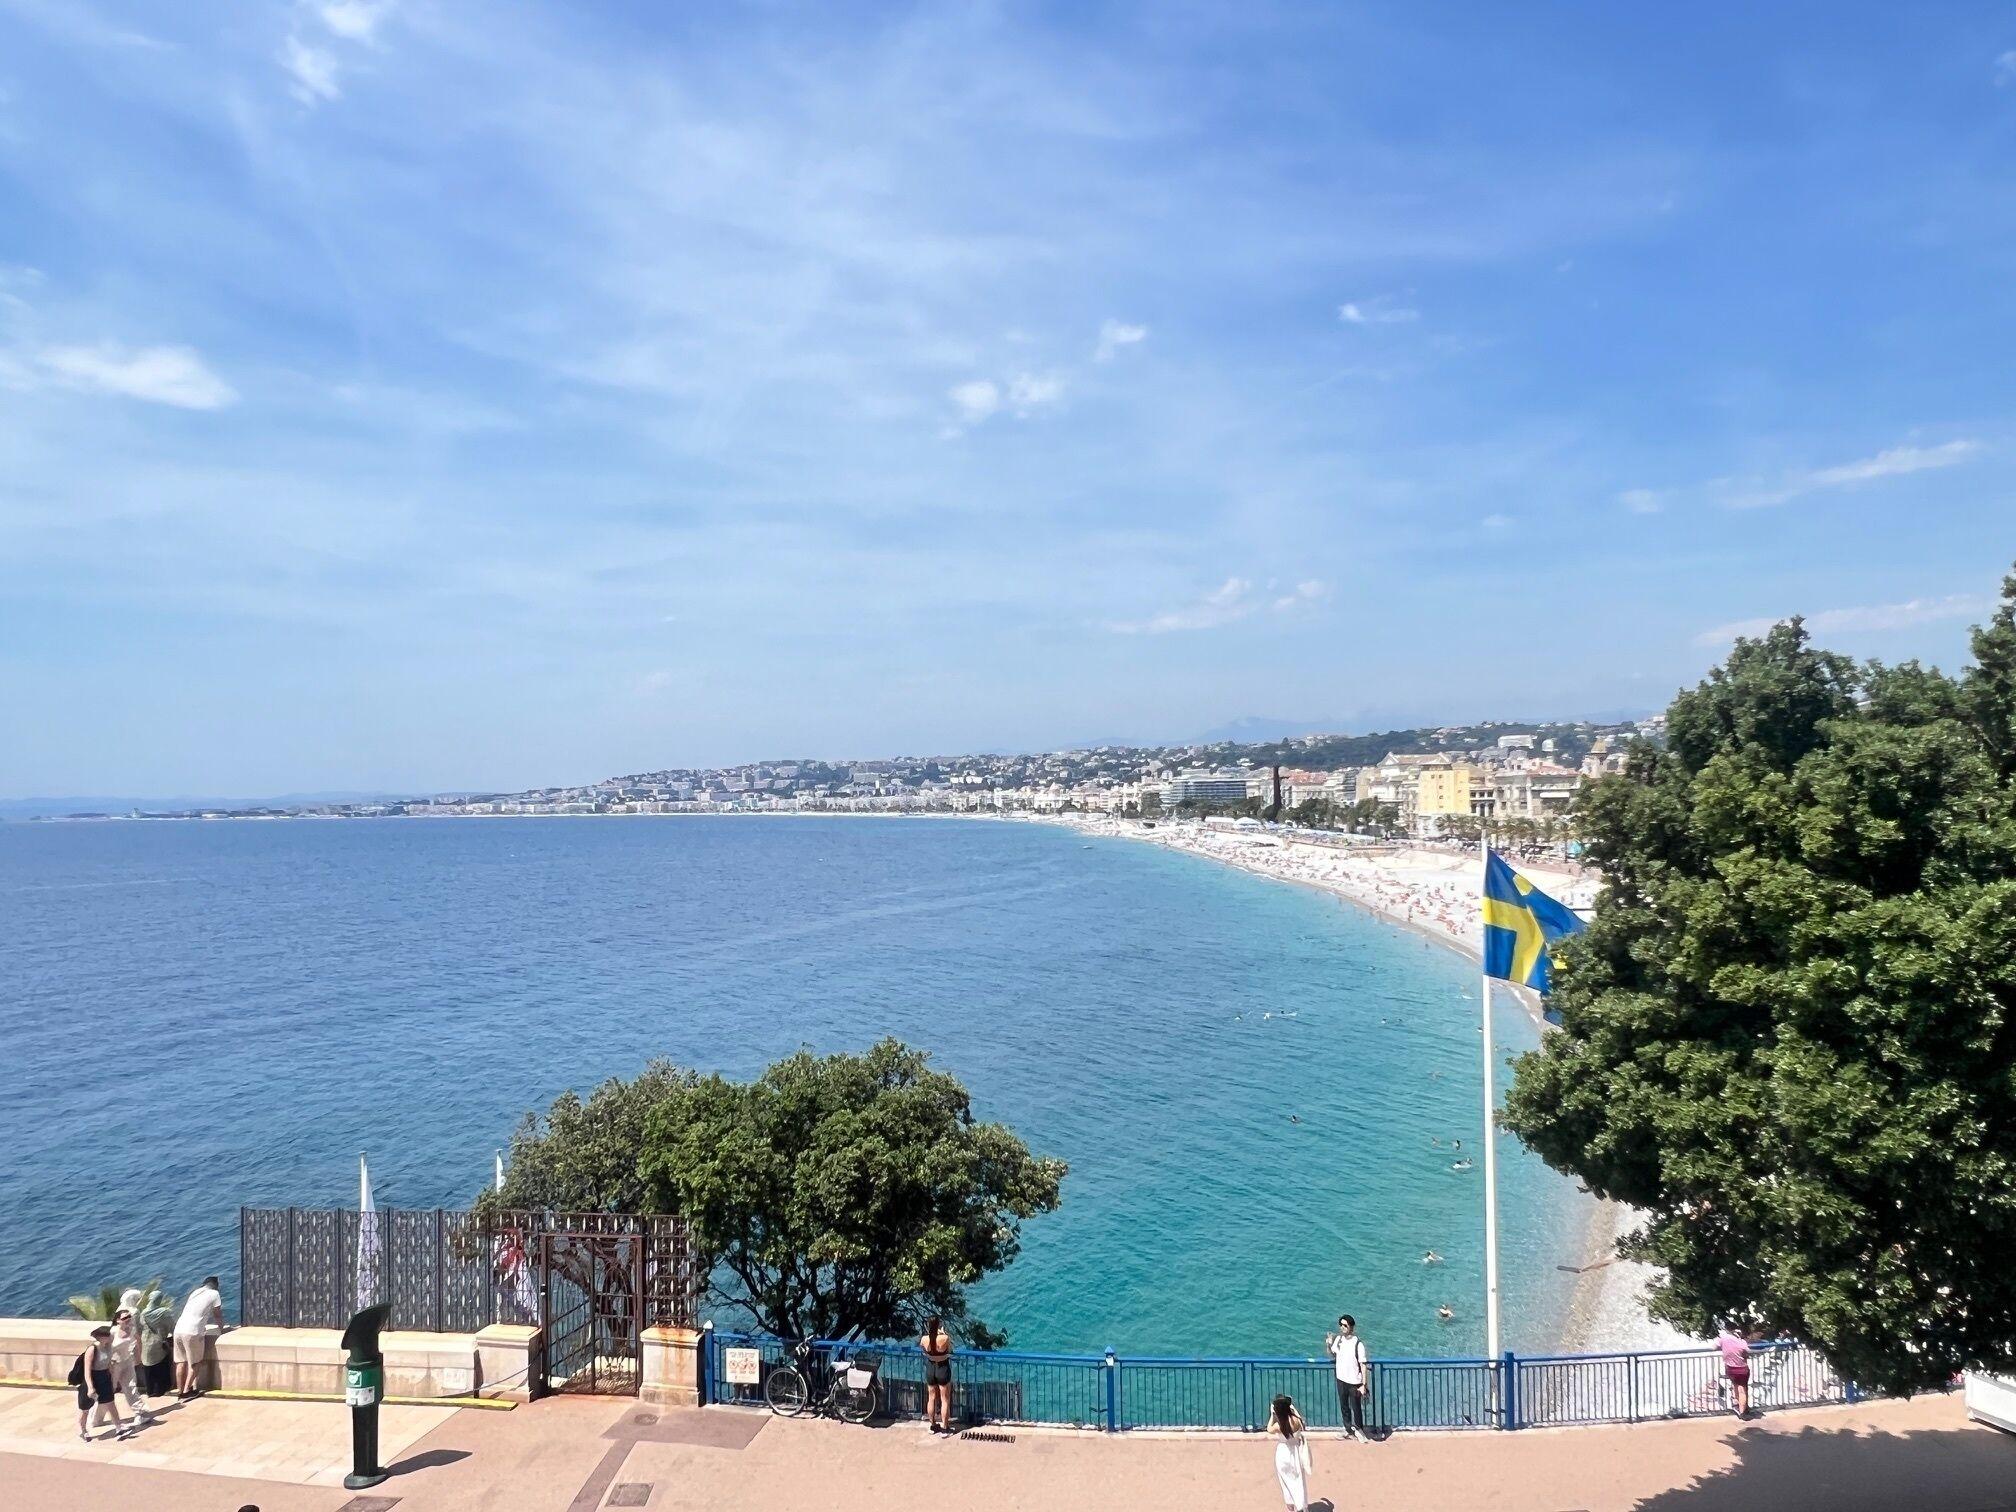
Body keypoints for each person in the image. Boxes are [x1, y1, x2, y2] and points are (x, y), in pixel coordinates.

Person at [74, 1325, 130, 1442]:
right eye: (107, 1335)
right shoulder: (92, 1349)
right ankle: (83, 1430)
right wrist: (90, 1387)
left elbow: (109, 1364)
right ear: (100, 1337)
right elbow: (87, 1370)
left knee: (110, 1403)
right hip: (93, 1378)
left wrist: (114, 1380)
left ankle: (118, 1427)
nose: (110, 1337)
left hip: (104, 1376)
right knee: (85, 1408)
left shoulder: (108, 1346)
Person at [174, 1275, 224, 1399]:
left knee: (181, 1362)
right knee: (195, 1363)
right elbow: (217, 1314)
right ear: (216, 1286)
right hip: (193, 1331)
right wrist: (222, 1328)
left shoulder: (195, 1292)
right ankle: (187, 1391)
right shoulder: (214, 1294)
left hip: (178, 1329)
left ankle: (180, 1391)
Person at [1325, 1314, 1369, 1440]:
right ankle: (1348, 1430)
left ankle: (1359, 1430)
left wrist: (1364, 1385)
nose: (1342, 1327)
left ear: (1351, 1327)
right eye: (1341, 1325)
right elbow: (1332, 1355)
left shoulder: (1358, 1344)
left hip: (1354, 1381)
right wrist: (1328, 1344)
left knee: (1356, 1408)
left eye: (1345, 1325)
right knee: (1344, 1406)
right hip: (1341, 1379)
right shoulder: (1338, 1340)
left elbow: (1363, 1365)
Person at [1268, 1393, 1314, 1512]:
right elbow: (1301, 1421)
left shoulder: (1279, 1425)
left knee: (1286, 1482)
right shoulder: (1297, 1421)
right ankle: (1301, 1506)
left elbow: (1269, 1428)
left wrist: (1272, 1415)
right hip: (1296, 1452)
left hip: (1283, 1454)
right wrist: (1293, 1410)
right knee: (1298, 1481)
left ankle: (1291, 1507)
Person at [109, 1308, 151, 1421]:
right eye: (124, 1318)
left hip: (127, 1362)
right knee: (109, 1390)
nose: (128, 1319)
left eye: (129, 1317)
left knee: (131, 1387)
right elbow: (105, 1348)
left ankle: (140, 1414)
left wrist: (139, 1358)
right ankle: (96, 1419)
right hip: (114, 1364)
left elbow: (138, 1342)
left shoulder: (132, 1330)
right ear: (118, 1320)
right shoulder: (113, 1332)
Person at [920, 1316, 954, 1435]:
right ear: (938, 1324)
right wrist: (943, 1334)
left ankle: (933, 1425)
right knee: (945, 1399)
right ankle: (945, 1428)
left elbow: (924, 1351)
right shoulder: (944, 1338)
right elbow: (950, 1350)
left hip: (930, 1368)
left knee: (931, 1398)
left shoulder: (924, 1339)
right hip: (942, 1368)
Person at [1717, 1323, 1753, 1419]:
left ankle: (1738, 1405)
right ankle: (1743, 1412)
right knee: (1742, 1390)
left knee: (1735, 1386)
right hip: (1742, 1369)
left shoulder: (1723, 1339)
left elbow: (1712, 1347)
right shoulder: (1741, 1342)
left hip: (1730, 1368)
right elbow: (1747, 1352)